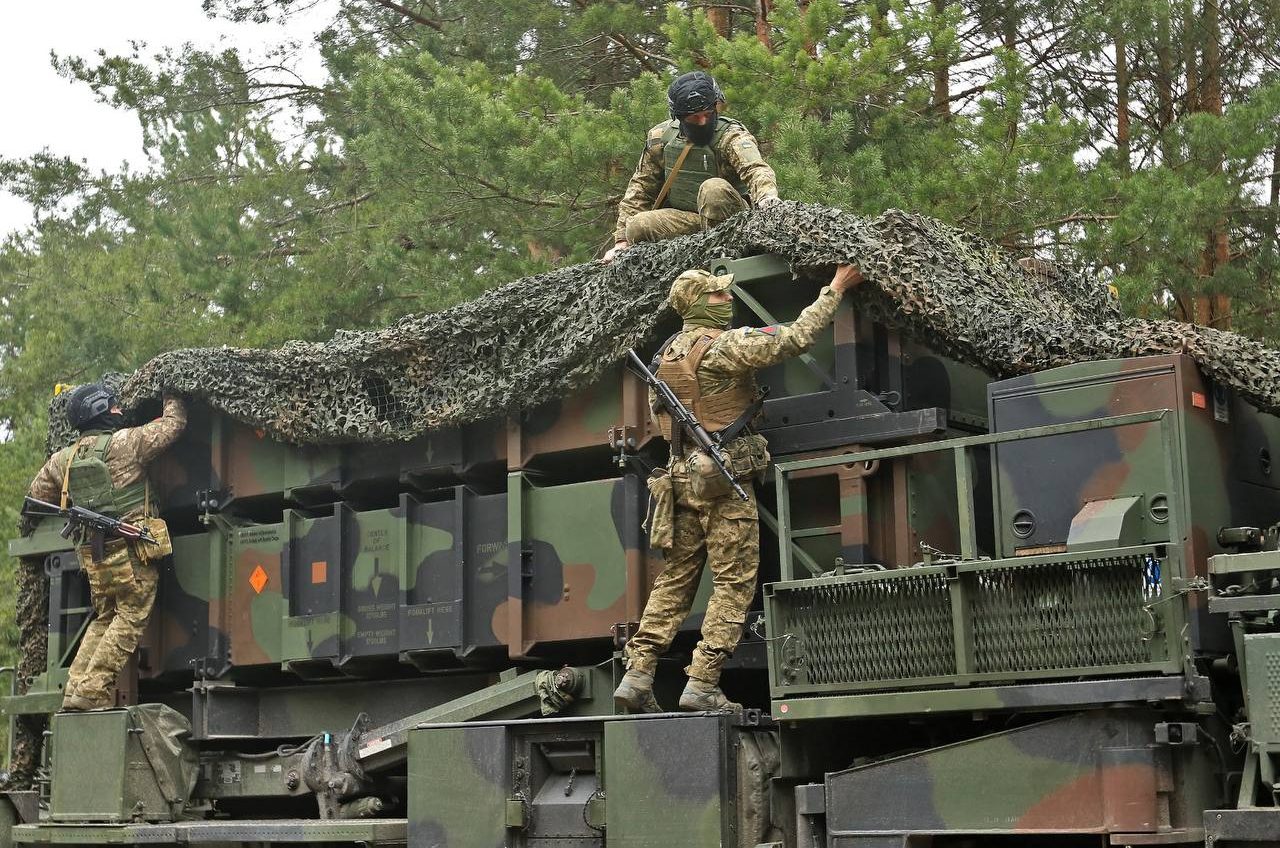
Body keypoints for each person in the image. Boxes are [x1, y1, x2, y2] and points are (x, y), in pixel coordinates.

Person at [615, 263, 864, 712]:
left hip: (680, 480)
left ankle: (637, 674)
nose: (727, 299)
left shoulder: (665, 354)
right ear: (696, 304)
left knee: (673, 581)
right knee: (733, 583)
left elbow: (662, 418)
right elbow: (794, 338)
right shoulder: (724, 346)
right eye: (717, 295)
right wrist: (835, 289)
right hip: (723, 484)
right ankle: (703, 683)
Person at [24, 384, 186, 711]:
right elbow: (173, 425)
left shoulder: (62, 460)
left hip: (94, 556)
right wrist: (173, 392)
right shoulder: (125, 443)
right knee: (129, 616)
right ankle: (93, 689)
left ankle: (74, 690)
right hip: (132, 553)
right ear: (100, 410)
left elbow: (35, 497)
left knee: (104, 617)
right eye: (112, 406)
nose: (117, 410)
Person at [603, 71, 779, 263]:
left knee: (713, 189)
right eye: (694, 118)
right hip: (689, 220)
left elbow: (755, 169)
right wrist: (621, 241)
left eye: (708, 114)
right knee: (637, 225)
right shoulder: (661, 140)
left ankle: (721, 257)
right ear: (679, 117)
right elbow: (640, 188)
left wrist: (767, 198)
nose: (703, 122)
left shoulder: (731, 137)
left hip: (733, 221)